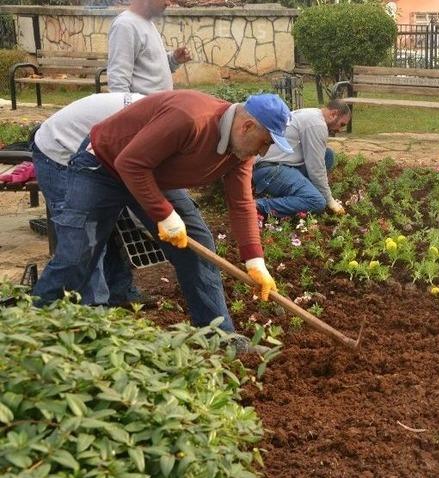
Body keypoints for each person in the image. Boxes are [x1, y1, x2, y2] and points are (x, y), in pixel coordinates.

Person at [33, 91, 292, 348]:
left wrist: (255, 261)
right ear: (247, 126)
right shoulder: (190, 118)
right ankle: (32, 327)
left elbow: (242, 204)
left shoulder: (240, 154)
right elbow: (130, 163)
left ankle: (220, 339)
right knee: (79, 254)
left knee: (197, 247)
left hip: (150, 171)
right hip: (104, 166)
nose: (264, 152)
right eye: (266, 142)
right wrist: (164, 214)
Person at [31, 92, 146, 306]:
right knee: (85, 239)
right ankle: (86, 310)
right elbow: (137, 191)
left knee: (110, 227)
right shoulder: (147, 131)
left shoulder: (162, 121)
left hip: (96, 154)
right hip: (59, 153)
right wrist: (155, 225)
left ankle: (119, 294)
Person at [253, 99, 350, 218]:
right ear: (333, 114)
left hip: (280, 164)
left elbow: (317, 160)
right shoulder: (317, 124)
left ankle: (301, 197)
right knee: (317, 202)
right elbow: (316, 168)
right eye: (342, 124)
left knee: (327, 155)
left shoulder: (313, 114)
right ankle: (257, 206)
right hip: (270, 171)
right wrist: (329, 200)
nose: (340, 130)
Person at [107, 0, 192, 94]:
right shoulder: (125, 25)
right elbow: (118, 82)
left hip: (158, 106)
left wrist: (174, 60)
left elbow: (150, 69)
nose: (168, 3)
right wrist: (127, 108)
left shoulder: (147, 22)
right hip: (144, 108)